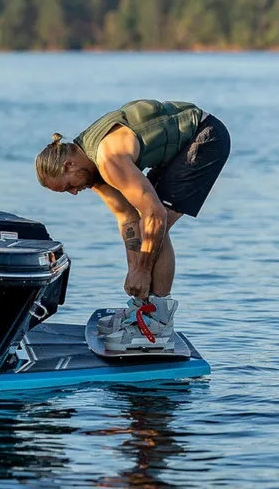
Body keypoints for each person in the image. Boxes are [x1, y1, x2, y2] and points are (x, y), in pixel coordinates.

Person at [34, 99, 230, 351]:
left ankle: (157, 322)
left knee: (158, 226)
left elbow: (154, 214)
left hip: (204, 138)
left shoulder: (108, 160)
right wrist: (134, 270)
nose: (74, 192)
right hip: (177, 148)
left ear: (68, 164)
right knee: (148, 227)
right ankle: (142, 308)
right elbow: (127, 218)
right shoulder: (91, 170)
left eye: (69, 186)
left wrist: (143, 270)